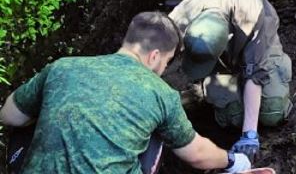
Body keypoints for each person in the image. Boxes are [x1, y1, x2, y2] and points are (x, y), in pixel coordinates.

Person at [0, 12, 252, 174]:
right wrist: (232, 161)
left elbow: (9, 115)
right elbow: (197, 155)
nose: (163, 70)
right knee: (156, 137)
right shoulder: (161, 94)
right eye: (166, 62)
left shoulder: (63, 67)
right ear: (154, 56)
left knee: (32, 120)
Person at [170, 0, 291, 159]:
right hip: (222, 60)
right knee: (233, 116)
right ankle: (211, 87)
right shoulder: (180, 19)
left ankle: (276, 66)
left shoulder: (252, 13)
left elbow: (255, 74)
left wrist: (249, 135)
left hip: (260, 43)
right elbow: (155, 56)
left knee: (272, 112)